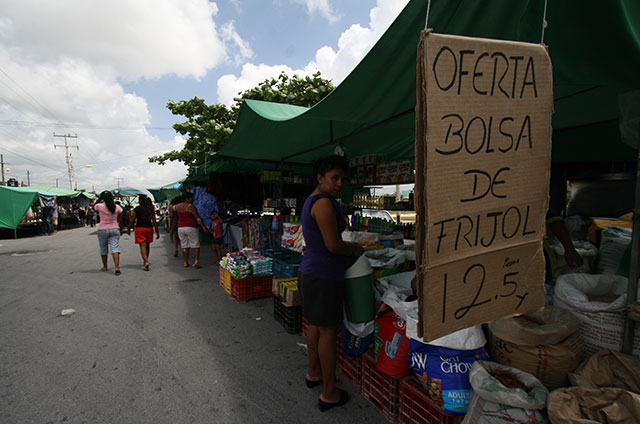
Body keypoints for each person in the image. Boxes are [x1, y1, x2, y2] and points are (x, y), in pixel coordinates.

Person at [298, 155, 363, 412]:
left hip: (312, 272)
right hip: (323, 275)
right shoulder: (323, 203)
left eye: (342, 179)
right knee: (327, 331)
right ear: (320, 178)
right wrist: (355, 249)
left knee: (315, 324)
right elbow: (333, 245)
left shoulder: (312, 200)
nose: (339, 184)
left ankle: (314, 373)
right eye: (334, 178)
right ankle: (329, 393)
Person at [94, 191, 123, 275]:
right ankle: (117, 267)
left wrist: (99, 198)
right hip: (114, 228)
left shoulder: (99, 206)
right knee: (115, 248)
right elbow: (120, 219)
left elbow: (94, 207)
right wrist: (120, 229)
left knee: (103, 248)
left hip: (102, 229)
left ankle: (105, 266)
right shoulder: (117, 207)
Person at [128, 195, 160, 271]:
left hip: (140, 228)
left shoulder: (137, 209)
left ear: (141, 201)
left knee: (142, 245)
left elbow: (132, 220)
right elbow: (154, 222)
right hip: (149, 228)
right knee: (147, 245)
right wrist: (157, 232)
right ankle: (146, 259)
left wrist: (129, 228)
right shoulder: (150, 209)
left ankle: (146, 261)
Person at [176, 192, 205, 268]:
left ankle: (185, 262)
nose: (192, 199)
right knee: (195, 244)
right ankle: (196, 261)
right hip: (191, 226)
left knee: (184, 245)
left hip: (180, 227)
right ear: (187, 199)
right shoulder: (190, 206)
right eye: (191, 198)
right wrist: (203, 226)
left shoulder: (177, 206)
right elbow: (197, 218)